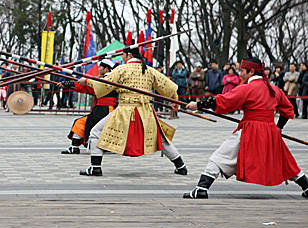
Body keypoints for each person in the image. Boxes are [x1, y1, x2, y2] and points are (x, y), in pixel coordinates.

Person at [184, 56, 308, 199]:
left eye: (242, 70)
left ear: (251, 72)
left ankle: (201, 188)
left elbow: (224, 100)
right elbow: (287, 109)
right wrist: (279, 127)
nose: (240, 73)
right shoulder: (274, 90)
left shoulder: (247, 89)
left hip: (250, 130)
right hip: (270, 131)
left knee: (220, 157)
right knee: (286, 162)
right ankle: (306, 186)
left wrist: (198, 105)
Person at [79, 47, 187, 177]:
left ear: (129, 55)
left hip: (124, 111)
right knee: (162, 139)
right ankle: (181, 166)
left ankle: (95, 168)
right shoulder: (149, 70)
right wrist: (174, 100)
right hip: (145, 111)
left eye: (123, 55)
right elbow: (168, 87)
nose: (122, 58)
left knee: (95, 132)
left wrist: (87, 81)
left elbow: (103, 85)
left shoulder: (121, 70)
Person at [60, 59, 118, 154]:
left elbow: (92, 85)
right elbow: (87, 88)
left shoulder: (109, 79)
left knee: (85, 124)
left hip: (107, 109)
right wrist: (68, 84)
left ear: (106, 69)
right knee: (80, 123)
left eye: (101, 67)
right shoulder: (100, 79)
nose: (98, 68)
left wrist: (86, 81)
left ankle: (95, 148)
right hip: (100, 108)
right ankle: (74, 147)